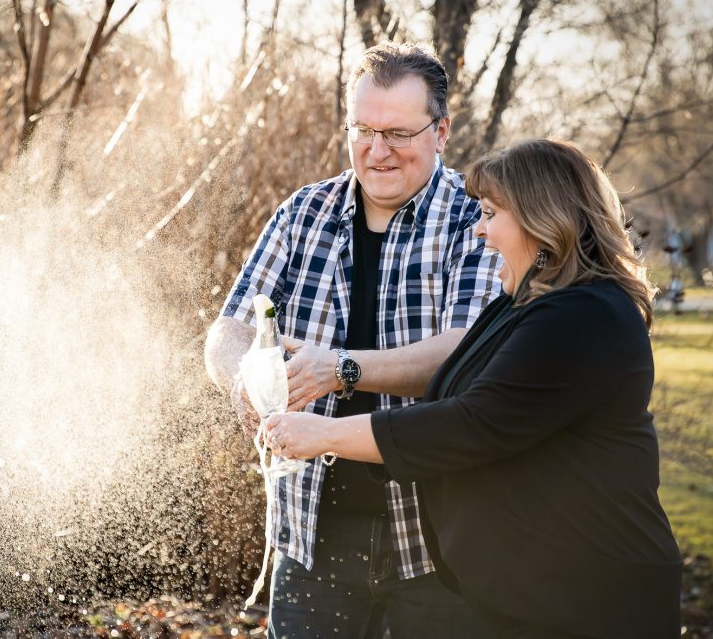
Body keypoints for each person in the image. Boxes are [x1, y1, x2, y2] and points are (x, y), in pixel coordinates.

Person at [264, 139, 683, 639]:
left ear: (541, 219)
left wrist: (325, 434)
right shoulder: (520, 305)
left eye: (490, 214)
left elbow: (469, 424)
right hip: (537, 590)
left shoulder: (585, 316)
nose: (479, 230)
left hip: (591, 598)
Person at [204, 42, 501, 638]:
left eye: (398, 133)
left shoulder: (478, 218)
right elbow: (228, 328)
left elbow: (468, 351)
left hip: (437, 537)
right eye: (363, 129)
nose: (377, 149)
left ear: (441, 132)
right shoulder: (303, 213)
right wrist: (244, 375)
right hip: (311, 533)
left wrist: (342, 369)